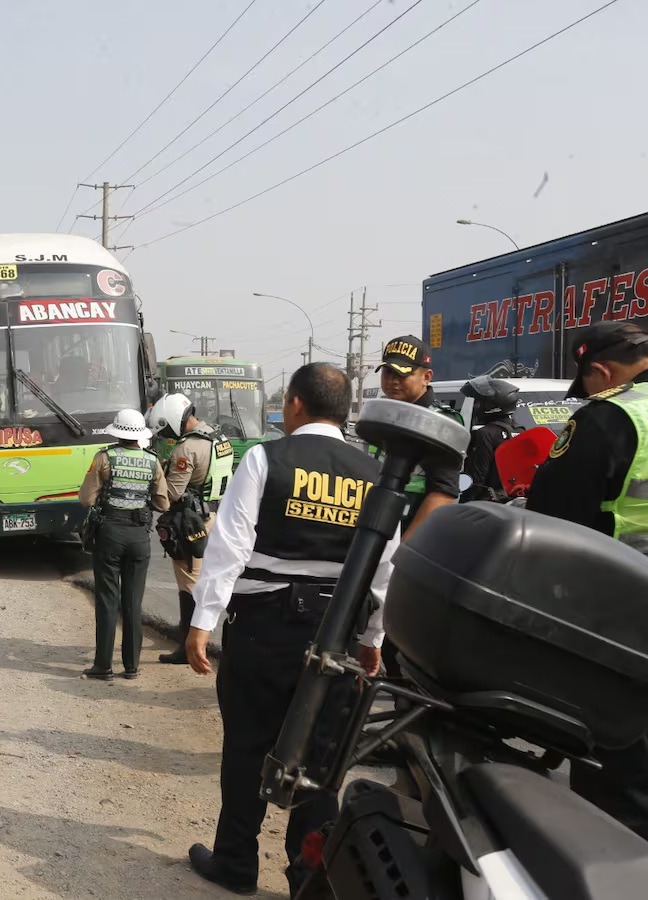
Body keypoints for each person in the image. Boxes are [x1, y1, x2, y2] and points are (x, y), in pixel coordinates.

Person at [184, 363, 400, 897]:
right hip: (337, 633)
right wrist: (373, 639)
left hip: (264, 628)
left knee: (247, 746)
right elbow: (387, 568)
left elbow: (229, 546)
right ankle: (312, 876)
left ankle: (236, 862)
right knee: (320, 757)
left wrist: (202, 621)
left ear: (296, 404)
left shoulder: (266, 459)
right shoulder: (374, 474)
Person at [526, 320, 648, 840]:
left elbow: (552, 517)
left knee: (619, 776)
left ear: (600, 370)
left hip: (624, 611)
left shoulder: (609, 417)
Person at [374, 335, 461, 681]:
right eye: (387, 372)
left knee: (402, 652)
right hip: (377, 543)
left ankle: (403, 728)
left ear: (427, 376)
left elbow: (443, 495)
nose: (392, 380)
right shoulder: (387, 416)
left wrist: (401, 554)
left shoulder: (438, 423)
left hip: (408, 552)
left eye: (402, 373)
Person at [78, 409, 169, 681]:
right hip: (139, 537)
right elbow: (163, 503)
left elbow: (86, 499)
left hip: (110, 535)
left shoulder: (104, 458)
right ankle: (131, 666)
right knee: (133, 602)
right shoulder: (153, 462)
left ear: (116, 431)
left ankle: (103, 666)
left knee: (107, 600)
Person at [146, 392, 234, 664]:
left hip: (191, 521)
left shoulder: (188, 447)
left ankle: (188, 647)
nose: (166, 435)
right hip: (214, 515)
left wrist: (157, 473)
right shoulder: (219, 438)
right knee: (206, 579)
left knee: (189, 584)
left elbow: (173, 492)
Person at [460, 376, 520, 502]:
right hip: (513, 501)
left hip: (487, 504)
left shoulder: (485, 434)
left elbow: (477, 477)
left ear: (493, 405)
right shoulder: (519, 430)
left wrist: (465, 502)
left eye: (480, 402)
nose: (476, 406)